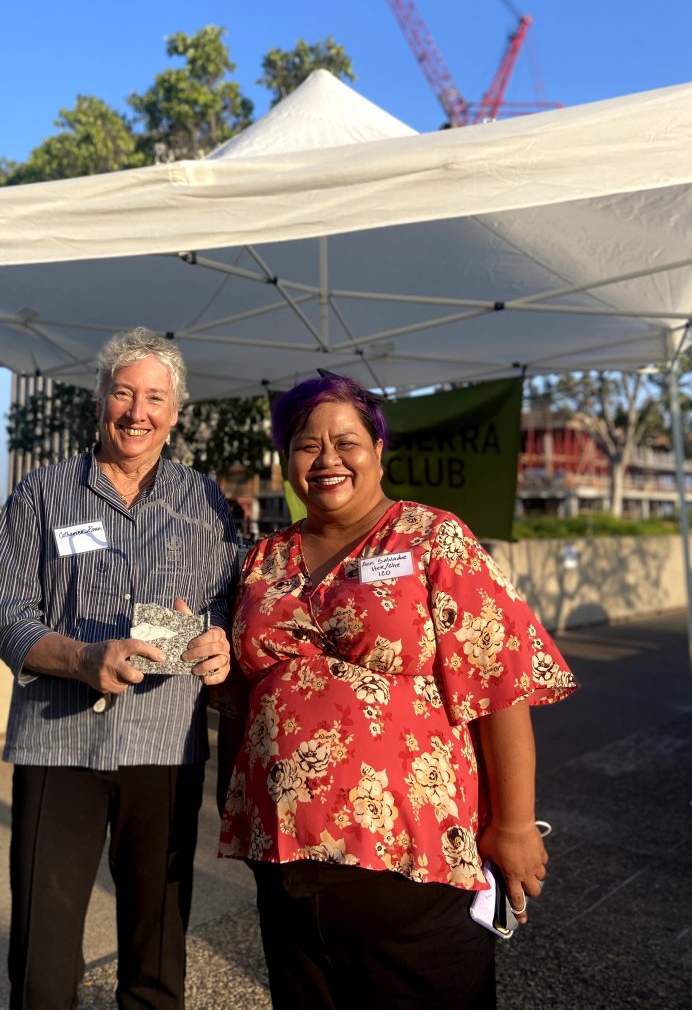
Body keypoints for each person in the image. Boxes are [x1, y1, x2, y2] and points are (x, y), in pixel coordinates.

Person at [218, 373, 577, 1009]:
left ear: (379, 450)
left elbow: (501, 682)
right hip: (285, 858)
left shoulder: (434, 540)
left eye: (346, 441)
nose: (327, 459)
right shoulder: (261, 560)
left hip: (414, 865)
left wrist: (517, 825)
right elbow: (243, 690)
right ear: (287, 460)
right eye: (306, 444)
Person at [0, 327, 237, 1010]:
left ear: (176, 412)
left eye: (155, 397)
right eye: (123, 392)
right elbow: (1, 615)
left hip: (164, 746)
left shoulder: (209, 505)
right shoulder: (40, 495)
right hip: (56, 745)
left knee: (156, 947)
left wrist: (220, 641)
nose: (137, 411)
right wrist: (82, 657)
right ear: (100, 400)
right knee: (44, 941)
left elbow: (234, 611)